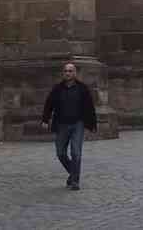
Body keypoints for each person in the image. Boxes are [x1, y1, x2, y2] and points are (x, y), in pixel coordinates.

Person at [40, 62, 98, 191]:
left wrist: (92, 124)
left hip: (78, 124)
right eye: (66, 71)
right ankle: (73, 174)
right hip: (61, 124)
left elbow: (89, 107)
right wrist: (45, 119)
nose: (68, 73)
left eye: (70, 71)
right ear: (63, 73)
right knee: (61, 153)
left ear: (75, 73)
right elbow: (49, 104)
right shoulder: (57, 89)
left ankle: (75, 181)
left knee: (76, 153)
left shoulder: (82, 88)